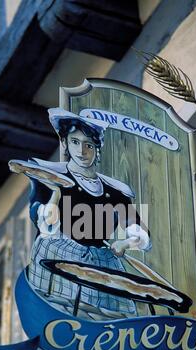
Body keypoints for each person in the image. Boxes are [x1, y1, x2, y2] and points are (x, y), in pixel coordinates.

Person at [27, 108, 152, 320]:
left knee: (113, 316)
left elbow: (136, 229)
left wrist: (125, 243)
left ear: (97, 149)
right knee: (62, 309)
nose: (82, 151)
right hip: (59, 253)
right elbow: (43, 221)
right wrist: (56, 194)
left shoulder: (114, 190)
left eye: (89, 145)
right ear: (65, 143)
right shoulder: (48, 176)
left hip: (101, 259)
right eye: (75, 142)